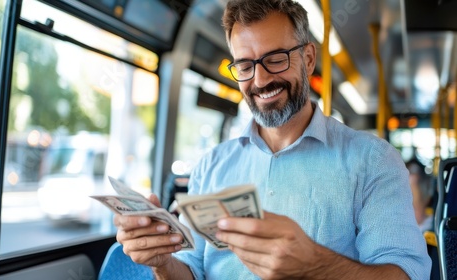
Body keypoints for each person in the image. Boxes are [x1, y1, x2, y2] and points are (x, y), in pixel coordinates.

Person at [113, 0, 432, 279]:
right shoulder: (211, 166)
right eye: (245, 65)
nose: (260, 80)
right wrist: (162, 264)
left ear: (308, 59)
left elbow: (406, 274)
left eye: (276, 58)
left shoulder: (374, 160)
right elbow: (192, 271)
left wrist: (316, 267)